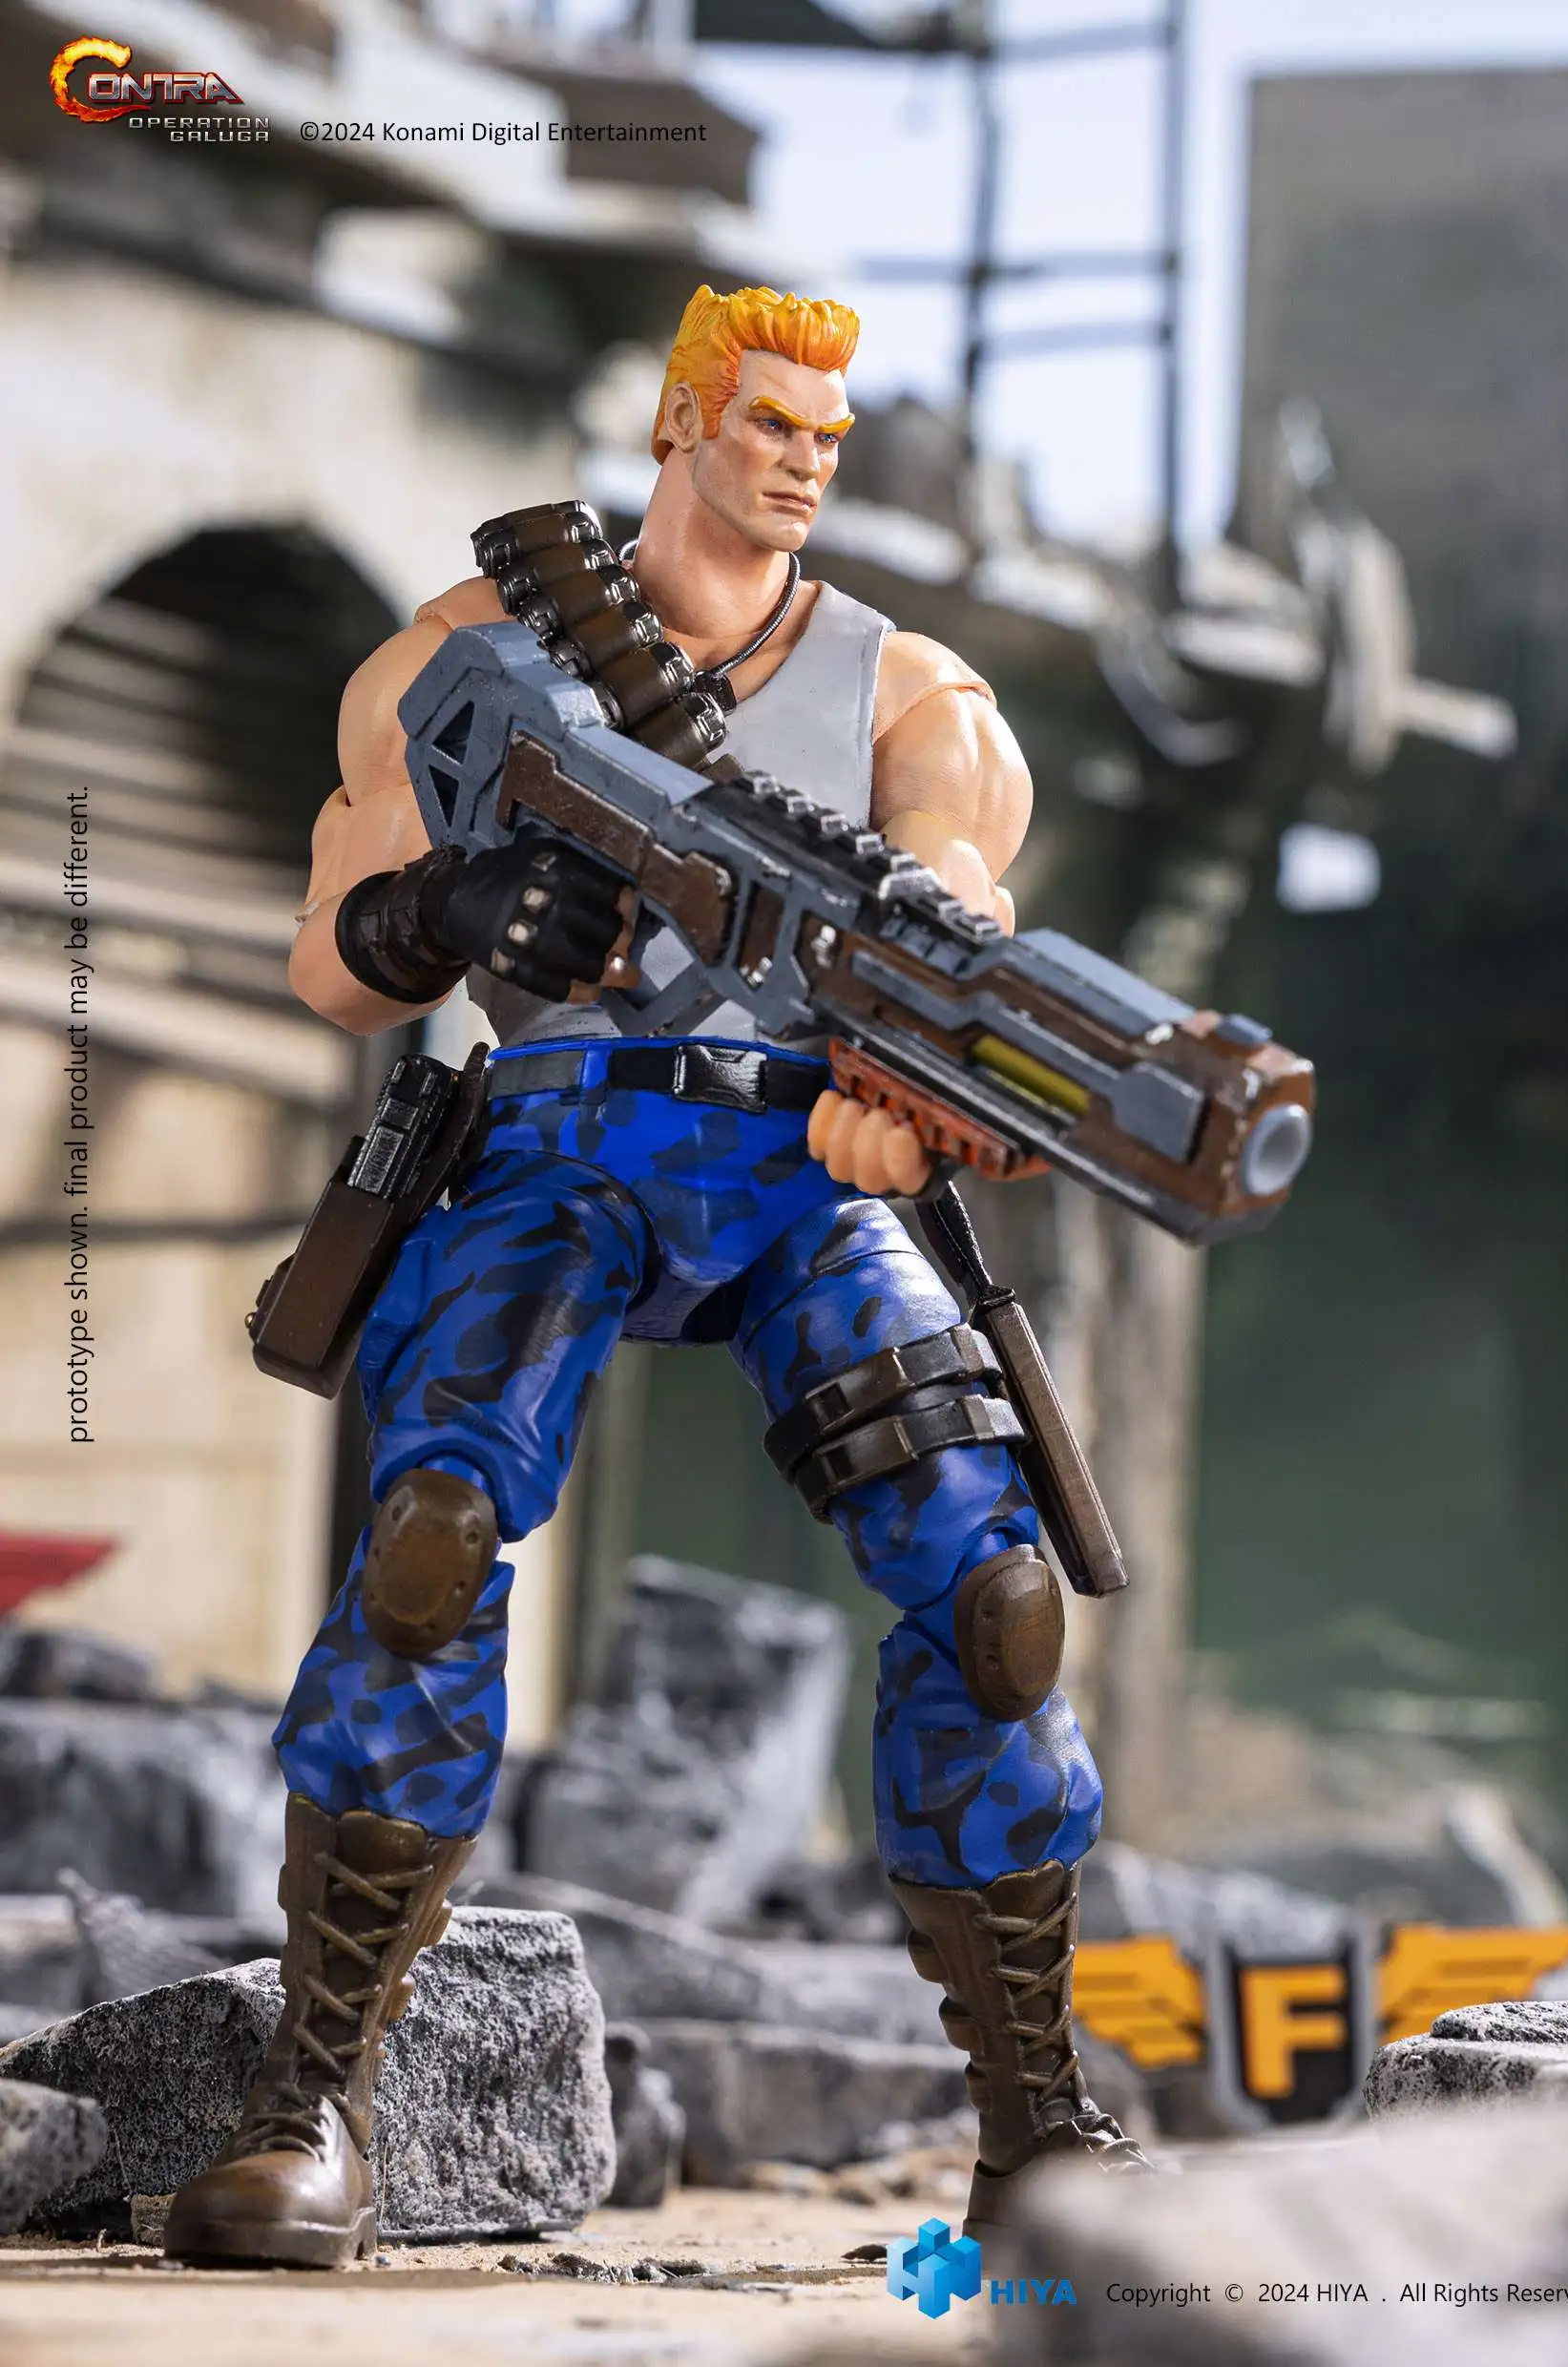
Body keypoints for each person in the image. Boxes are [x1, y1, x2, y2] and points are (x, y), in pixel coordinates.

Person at [163, 284, 1147, 2271]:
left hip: (790, 1171)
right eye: (770, 420)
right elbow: (329, 963)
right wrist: (445, 904)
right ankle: (315, 2102)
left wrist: (912, 1094)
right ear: (682, 421)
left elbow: (951, 941)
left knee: (993, 1591)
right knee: (432, 1538)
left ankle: (1039, 2127)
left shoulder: (910, 696)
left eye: (830, 435)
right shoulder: (471, 653)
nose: (804, 460)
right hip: (556, 1148)